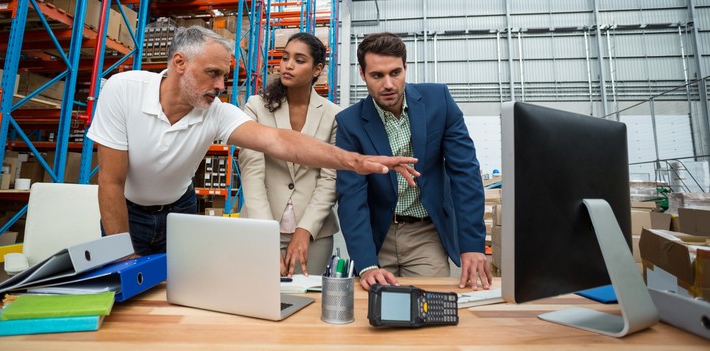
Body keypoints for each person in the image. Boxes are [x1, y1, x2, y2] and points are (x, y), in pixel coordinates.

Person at [86, 26, 418, 256]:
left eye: (224, 77)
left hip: (179, 210)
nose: (221, 85)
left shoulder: (216, 112)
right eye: (213, 73)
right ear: (179, 63)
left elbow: (279, 141)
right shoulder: (123, 90)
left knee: (172, 296)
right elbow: (111, 182)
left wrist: (354, 161)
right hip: (127, 209)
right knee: (122, 290)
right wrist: (121, 257)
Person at [335, 32, 491, 291]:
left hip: (425, 234)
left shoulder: (438, 101)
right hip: (377, 237)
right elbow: (351, 196)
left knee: (432, 308)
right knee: (373, 311)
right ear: (362, 75)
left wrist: (472, 245)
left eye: (395, 73)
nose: (388, 84)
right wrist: (366, 264)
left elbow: (465, 173)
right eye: (377, 76)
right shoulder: (349, 123)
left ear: (406, 67)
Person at [239, 33, 340, 277]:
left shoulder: (333, 115)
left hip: (314, 234)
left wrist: (305, 230)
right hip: (259, 224)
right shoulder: (255, 106)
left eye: (299, 60)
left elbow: (330, 179)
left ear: (317, 69)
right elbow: (252, 172)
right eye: (285, 58)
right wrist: (267, 235)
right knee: (256, 300)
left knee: (306, 303)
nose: (289, 65)